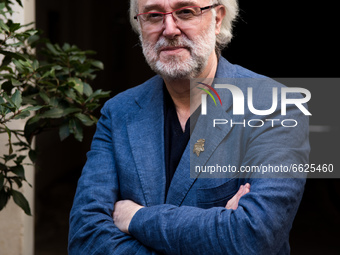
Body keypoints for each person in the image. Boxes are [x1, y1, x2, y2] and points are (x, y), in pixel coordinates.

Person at [68, 0, 310, 254]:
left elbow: (254, 237)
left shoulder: (278, 106)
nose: (169, 29)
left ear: (217, 19)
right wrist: (218, 231)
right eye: (153, 15)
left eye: (186, 11)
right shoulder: (118, 112)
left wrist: (137, 218)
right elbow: (85, 238)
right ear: (139, 25)